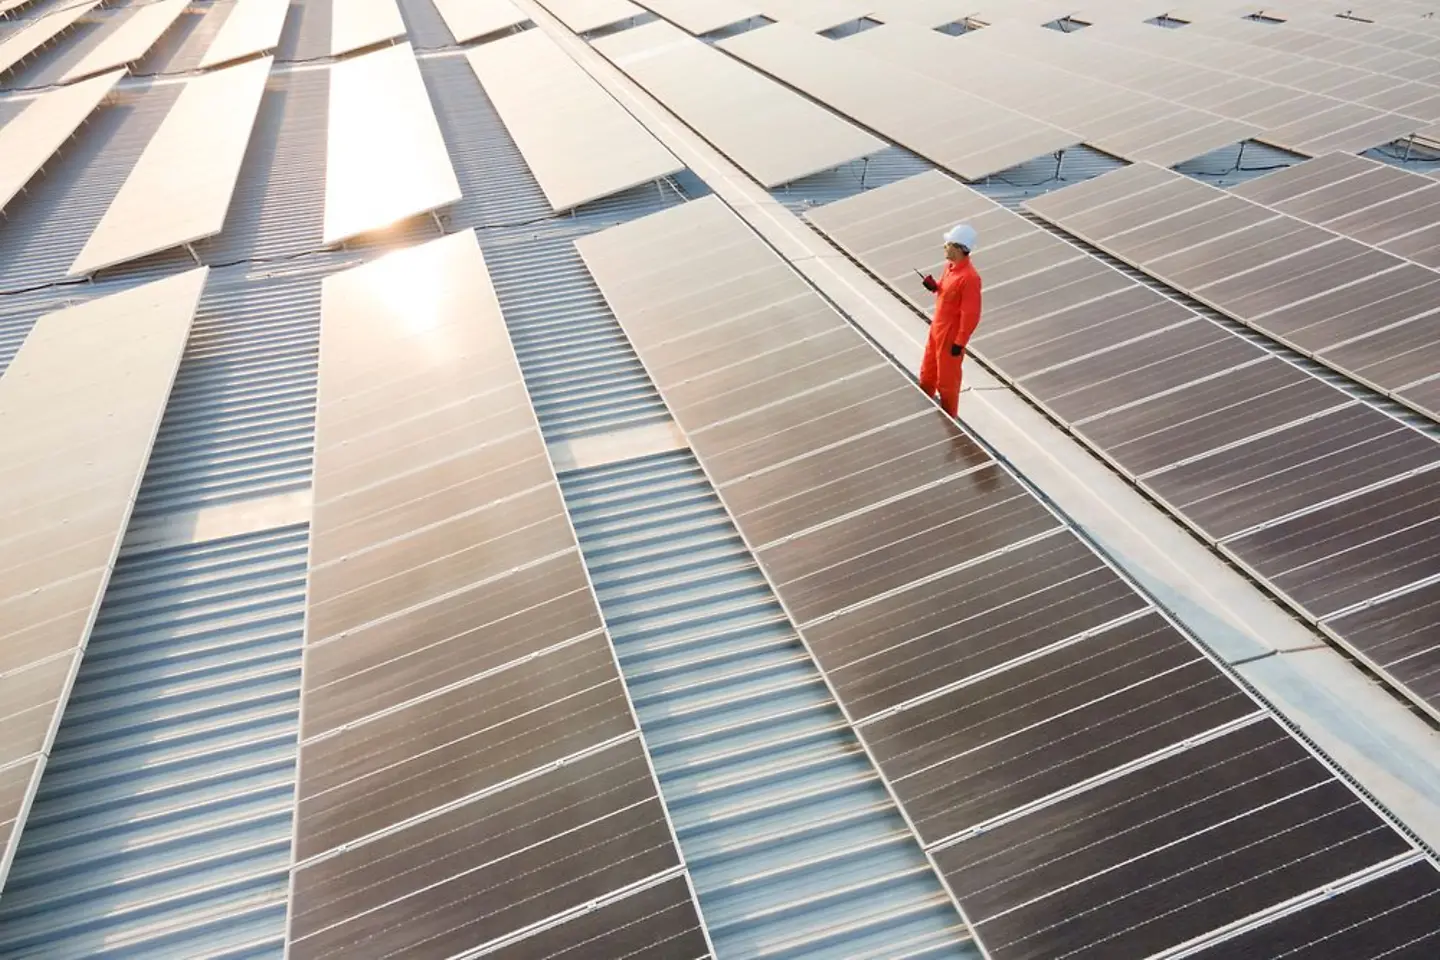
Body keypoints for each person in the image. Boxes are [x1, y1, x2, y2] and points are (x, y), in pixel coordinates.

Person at [918, 224, 982, 418]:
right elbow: (946, 292)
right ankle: (923, 413)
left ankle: (949, 420)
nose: (944, 247)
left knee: (947, 383)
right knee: (927, 373)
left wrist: (960, 342)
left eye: (948, 244)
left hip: (950, 336)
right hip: (936, 329)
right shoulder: (950, 268)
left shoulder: (970, 278)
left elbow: (971, 314)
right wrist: (935, 287)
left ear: (959, 247)